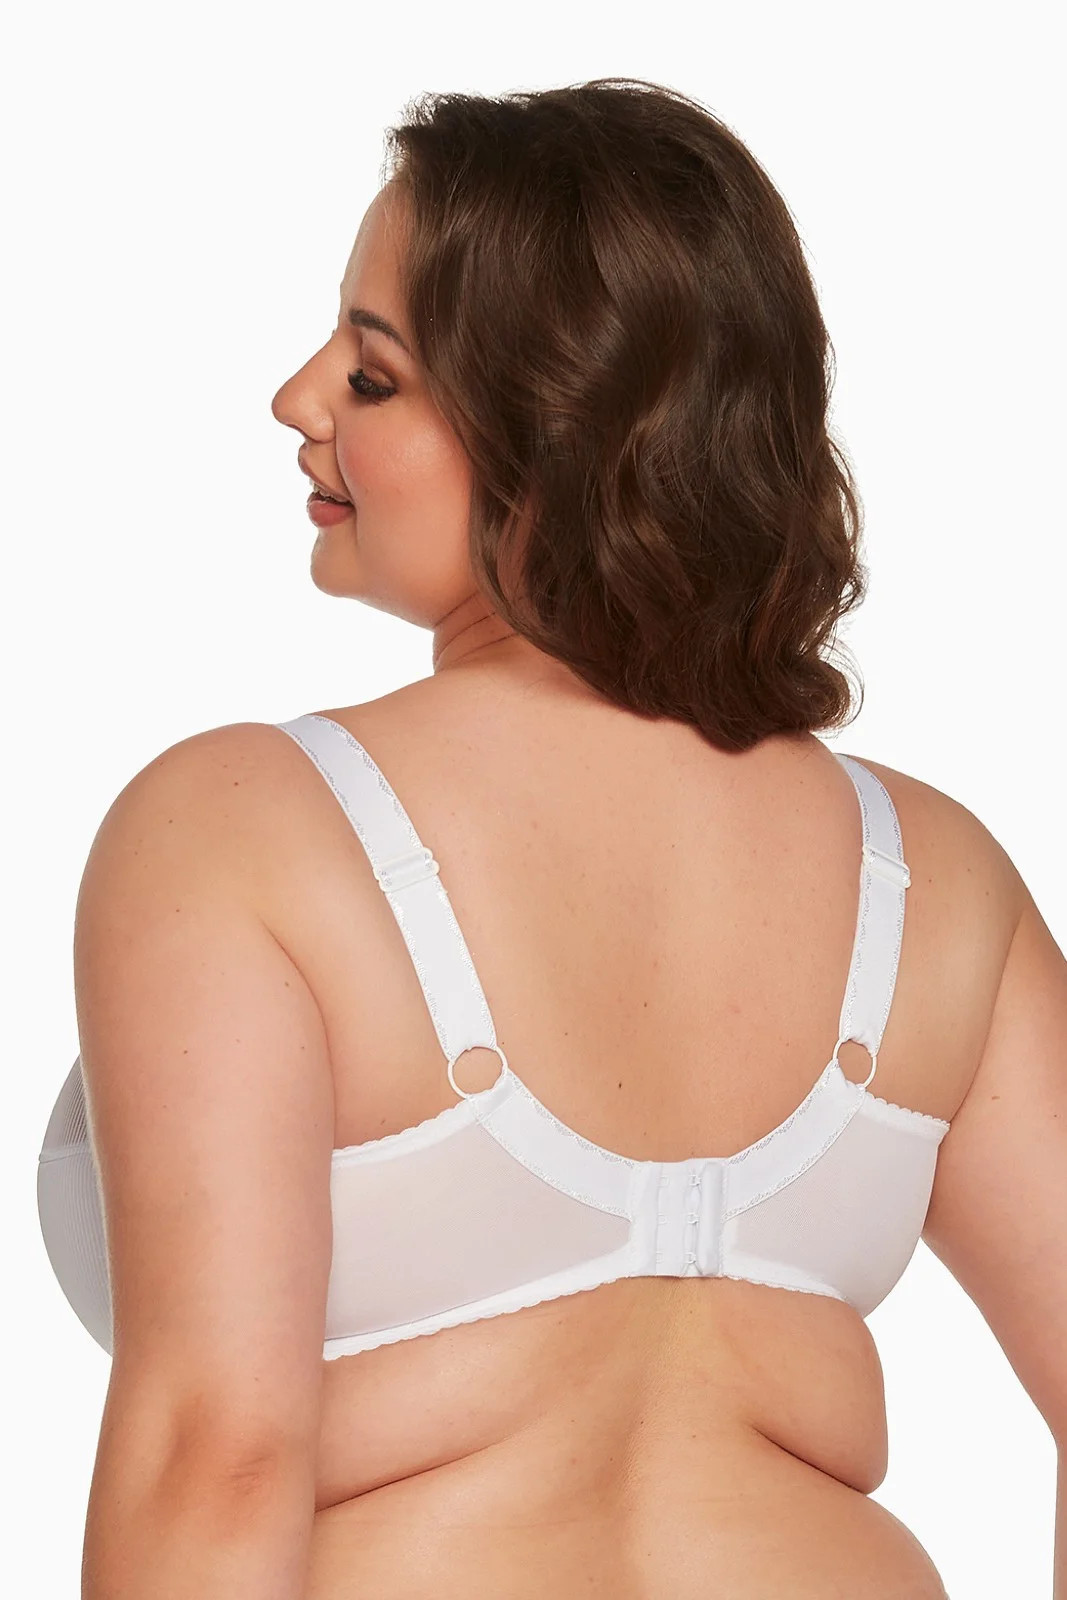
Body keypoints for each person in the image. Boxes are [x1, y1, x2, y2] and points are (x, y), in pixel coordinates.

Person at [41, 78, 1065, 1599]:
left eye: (373, 375)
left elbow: (220, 1459)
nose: (298, 399)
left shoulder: (238, 833)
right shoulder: (937, 880)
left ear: (560, 432)